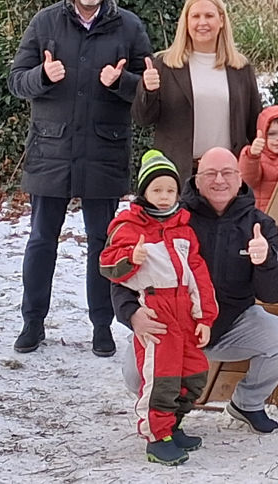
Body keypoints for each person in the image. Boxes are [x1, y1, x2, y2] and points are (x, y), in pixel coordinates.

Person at [7, 0, 152, 357]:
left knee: (103, 243)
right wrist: (42, 76)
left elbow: (150, 89)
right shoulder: (45, 23)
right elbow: (16, 81)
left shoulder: (129, 27)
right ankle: (32, 322)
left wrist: (121, 83)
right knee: (41, 240)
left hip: (105, 150)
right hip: (50, 148)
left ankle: (102, 325)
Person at [114, 146, 278, 435]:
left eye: (227, 173)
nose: (219, 180)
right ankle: (165, 417)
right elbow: (123, 274)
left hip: (231, 323)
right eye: (210, 173)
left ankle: (247, 404)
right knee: (133, 372)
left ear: (240, 179)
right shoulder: (168, 217)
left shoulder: (259, 225)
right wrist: (132, 314)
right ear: (196, 180)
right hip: (172, 322)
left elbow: (274, 295)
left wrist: (266, 261)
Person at [100, 150, 217, 466]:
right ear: (144, 192)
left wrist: (205, 316)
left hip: (184, 311)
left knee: (193, 374)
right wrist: (130, 259)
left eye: (170, 190)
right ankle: (156, 436)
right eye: (157, 190)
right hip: (156, 309)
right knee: (161, 378)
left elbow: (199, 274)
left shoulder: (184, 228)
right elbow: (107, 264)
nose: (165, 197)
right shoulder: (129, 226)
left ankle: (172, 425)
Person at [134, 0, 263, 177]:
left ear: (221, 21)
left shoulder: (240, 68)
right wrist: (148, 90)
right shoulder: (165, 64)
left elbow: (254, 123)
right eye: (195, 16)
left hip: (226, 175)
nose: (202, 22)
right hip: (178, 174)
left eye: (209, 16)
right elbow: (143, 119)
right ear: (186, 22)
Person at [239, 104, 278, 213]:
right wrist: (252, 156)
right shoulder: (258, 157)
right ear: (263, 134)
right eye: (272, 134)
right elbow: (248, 180)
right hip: (263, 215)